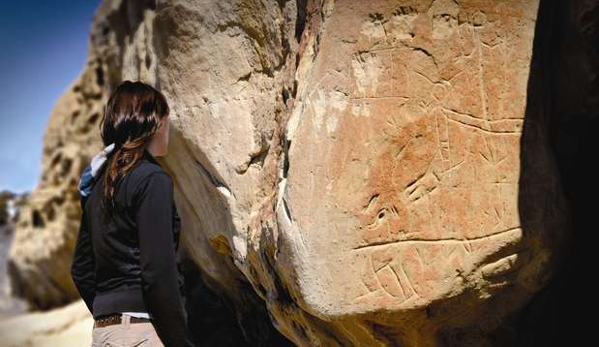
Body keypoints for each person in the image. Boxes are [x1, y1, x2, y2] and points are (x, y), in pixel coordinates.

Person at [70, 80, 197, 347]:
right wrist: (179, 341)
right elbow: (158, 271)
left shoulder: (96, 187)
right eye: (166, 119)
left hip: (103, 334)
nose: (168, 128)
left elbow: (81, 269)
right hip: (141, 332)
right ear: (155, 123)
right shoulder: (152, 179)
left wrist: (111, 313)